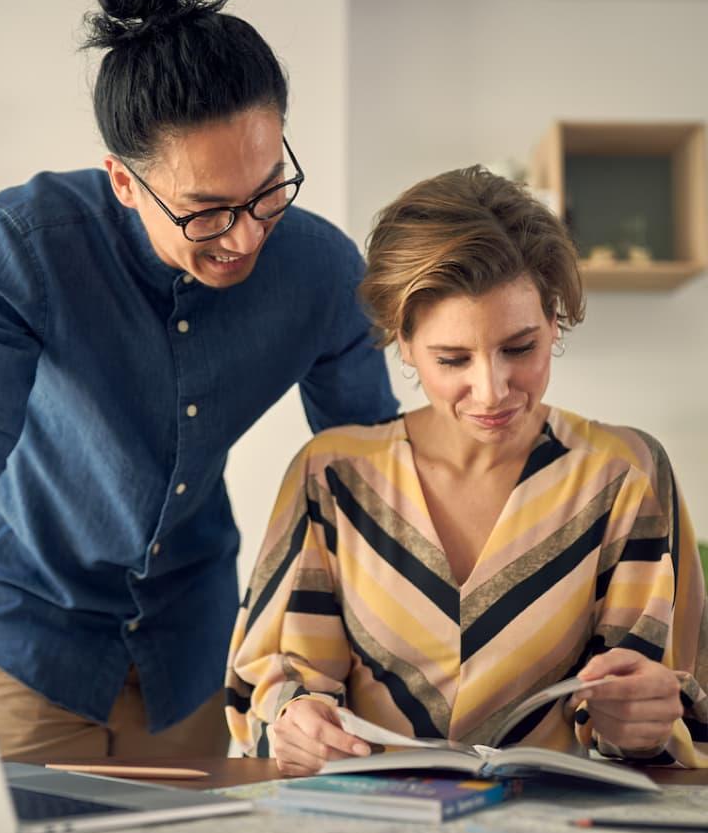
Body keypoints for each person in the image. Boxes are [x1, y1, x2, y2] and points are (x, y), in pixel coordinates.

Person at [0, 0, 397, 762]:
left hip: (194, 649)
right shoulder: (22, 247)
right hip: (29, 638)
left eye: (269, 188)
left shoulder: (320, 271)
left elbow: (370, 474)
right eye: (206, 211)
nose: (246, 236)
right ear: (124, 182)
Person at [226, 164, 708, 774]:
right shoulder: (332, 476)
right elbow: (279, 690)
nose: (491, 391)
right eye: (452, 359)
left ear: (554, 319)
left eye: (520, 348)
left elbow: (668, 705)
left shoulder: (624, 475)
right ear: (402, 340)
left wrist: (641, 719)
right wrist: (295, 723)